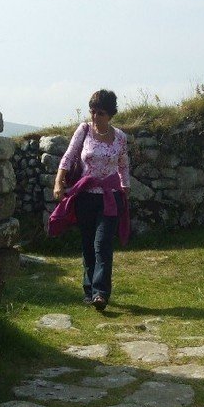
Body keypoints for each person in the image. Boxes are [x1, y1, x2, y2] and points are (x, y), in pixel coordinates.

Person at [50, 89, 130, 311]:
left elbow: (123, 164)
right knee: (87, 244)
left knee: (102, 243)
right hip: (85, 196)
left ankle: (101, 293)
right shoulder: (84, 131)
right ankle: (90, 291)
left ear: (111, 114)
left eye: (101, 113)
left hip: (110, 197)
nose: (95, 117)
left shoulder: (121, 137)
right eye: (93, 111)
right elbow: (69, 156)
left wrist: (125, 186)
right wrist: (59, 182)